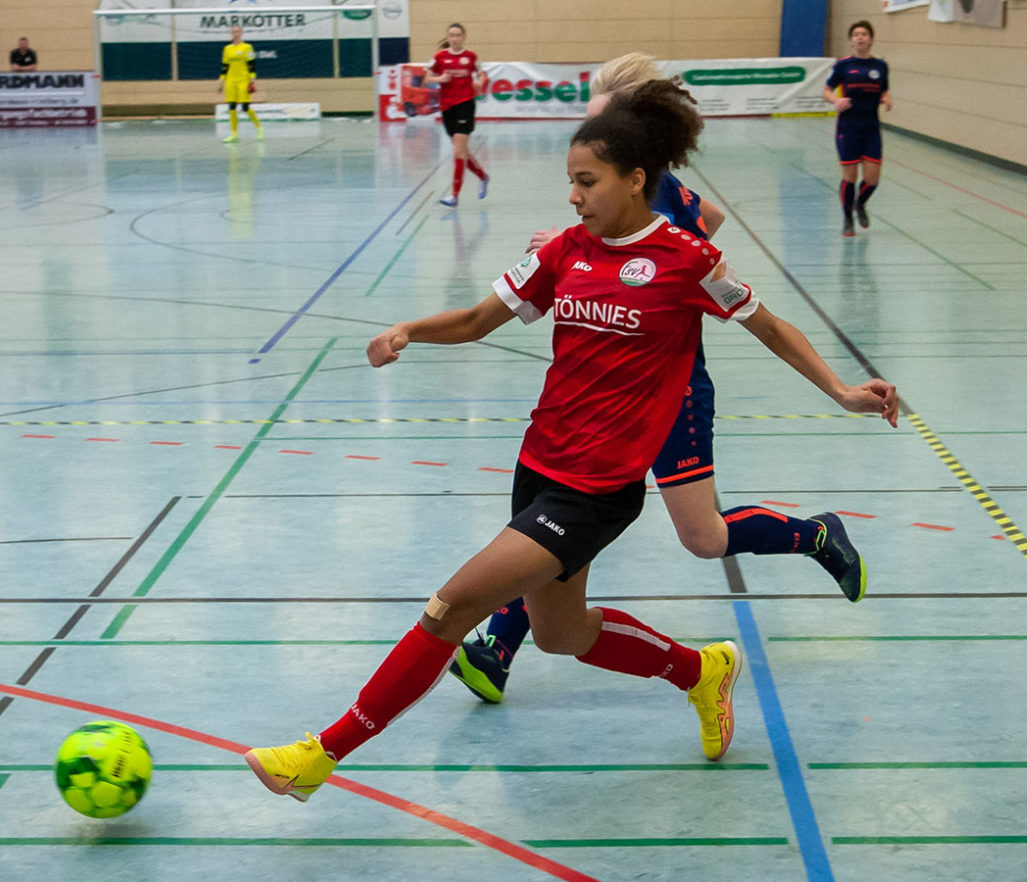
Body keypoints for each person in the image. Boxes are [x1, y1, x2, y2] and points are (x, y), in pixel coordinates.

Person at [243, 80, 899, 803]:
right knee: (559, 635)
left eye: (586, 182)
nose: (574, 196)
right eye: (571, 183)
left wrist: (840, 389)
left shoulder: (688, 261)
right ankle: (700, 671)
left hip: (598, 490)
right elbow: (476, 319)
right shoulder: (563, 252)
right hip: (538, 465)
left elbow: (769, 325)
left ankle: (320, 754)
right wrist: (409, 330)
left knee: (450, 607)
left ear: (635, 180)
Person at [449, 52, 884, 705]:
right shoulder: (620, 203)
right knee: (556, 522)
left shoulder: (662, 213)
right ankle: (496, 649)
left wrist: (843, 390)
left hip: (670, 394)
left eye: (601, 119)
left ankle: (817, 533)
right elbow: (707, 214)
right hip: (604, 397)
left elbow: (727, 267)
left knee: (703, 537)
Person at [823, 20, 891, 238]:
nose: (860, 37)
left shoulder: (880, 66)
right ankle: (848, 218)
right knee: (850, 176)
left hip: (871, 128)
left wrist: (887, 99)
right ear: (852, 40)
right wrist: (836, 101)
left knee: (872, 179)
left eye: (864, 34)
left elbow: (884, 91)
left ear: (871, 39)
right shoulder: (843, 65)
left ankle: (860, 204)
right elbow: (826, 90)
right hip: (848, 127)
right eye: (856, 34)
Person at [425, 23, 487, 207]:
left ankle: (454, 195)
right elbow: (427, 78)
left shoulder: (471, 57)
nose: (455, 38)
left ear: (463, 36)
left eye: (458, 35)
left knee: (458, 152)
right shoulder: (439, 57)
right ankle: (483, 177)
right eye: (451, 35)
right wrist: (439, 79)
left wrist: (479, 82)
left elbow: (482, 74)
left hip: (465, 105)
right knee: (463, 152)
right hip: (447, 107)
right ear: (448, 37)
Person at [217, 25, 262, 144]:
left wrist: (253, 79)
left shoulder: (247, 47)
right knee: (231, 106)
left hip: (244, 80)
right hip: (231, 80)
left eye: (237, 31)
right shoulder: (227, 49)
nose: (235, 33)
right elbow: (225, 66)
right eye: (233, 32)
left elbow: (251, 64)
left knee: (245, 107)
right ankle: (234, 134)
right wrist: (221, 80)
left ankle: (259, 127)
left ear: (241, 33)